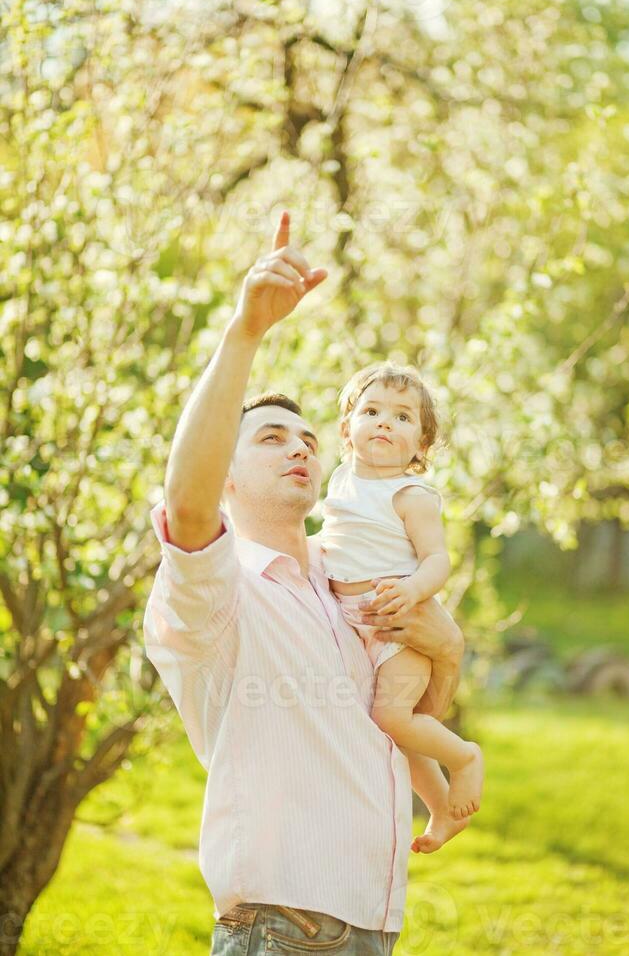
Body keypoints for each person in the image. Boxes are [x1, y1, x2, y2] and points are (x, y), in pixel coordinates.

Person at [143, 209, 468, 956]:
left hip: (373, 922)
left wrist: (445, 653)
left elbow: (406, 717)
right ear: (225, 476)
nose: (299, 448)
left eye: (308, 440)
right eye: (269, 437)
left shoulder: (350, 584)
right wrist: (245, 332)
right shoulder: (219, 594)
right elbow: (187, 504)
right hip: (281, 930)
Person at [321, 363, 483, 819]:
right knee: (400, 730)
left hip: (400, 626)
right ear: (346, 430)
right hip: (356, 621)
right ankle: (440, 809)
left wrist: (412, 591)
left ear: (421, 445)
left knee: (393, 720)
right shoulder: (338, 480)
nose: (385, 422)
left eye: (403, 417)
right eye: (371, 411)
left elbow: (437, 559)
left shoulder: (411, 495)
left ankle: (465, 757)